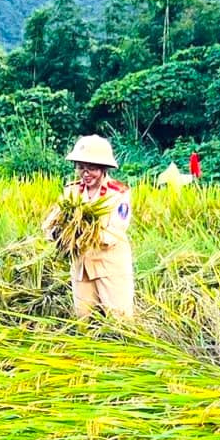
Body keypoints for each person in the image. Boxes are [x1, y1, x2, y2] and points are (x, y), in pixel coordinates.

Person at [43, 135, 134, 320]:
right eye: (81, 167)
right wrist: (58, 234)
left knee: (119, 320)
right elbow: (51, 223)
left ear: (103, 169)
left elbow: (114, 232)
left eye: (91, 168)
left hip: (109, 267)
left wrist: (81, 234)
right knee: (84, 319)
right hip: (81, 268)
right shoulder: (71, 191)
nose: (86, 173)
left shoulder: (118, 194)